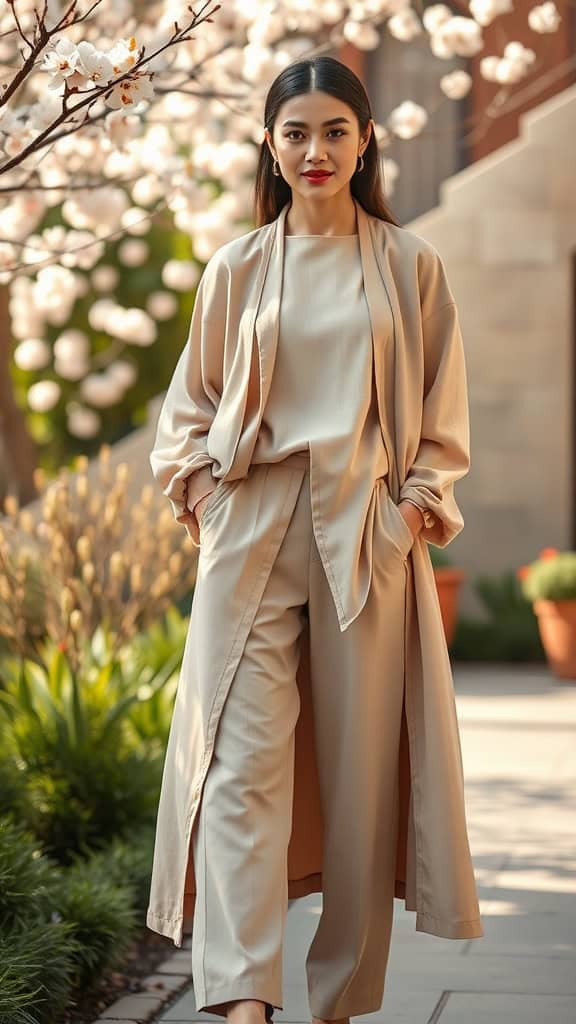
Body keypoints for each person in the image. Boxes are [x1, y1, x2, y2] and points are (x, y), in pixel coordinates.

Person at [147, 55, 483, 1024]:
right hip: (251, 531)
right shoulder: (237, 267)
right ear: (271, 143)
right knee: (240, 768)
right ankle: (242, 998)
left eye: (335, 129)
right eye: (296, 132)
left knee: (358, 783)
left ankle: (336, 1001)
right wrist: (209, 499)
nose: (315, 150)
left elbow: (443, 426)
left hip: (366, 538)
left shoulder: (410, 264)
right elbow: (187, 413)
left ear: (365, 138)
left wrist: (410, 512)